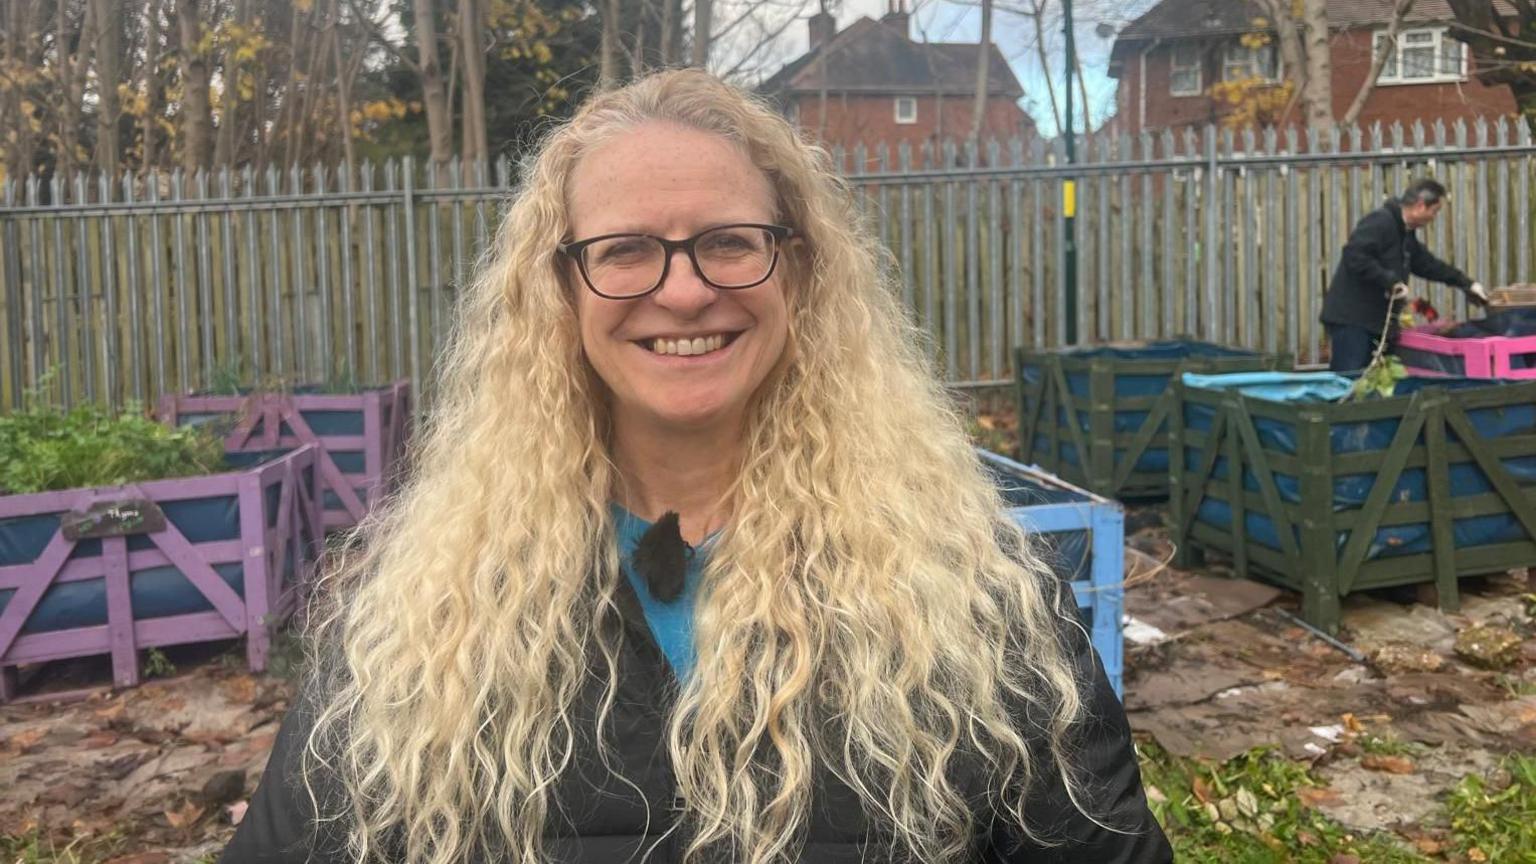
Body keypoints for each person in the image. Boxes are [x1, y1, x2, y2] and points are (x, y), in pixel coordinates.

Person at [221, 69, 1171, 864]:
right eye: (625, 250)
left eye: (728, 242)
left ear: (795, 271)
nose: (684, 291)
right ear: (559, 289)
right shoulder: (425, 617)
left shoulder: (976, 601)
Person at [1320, 178, 1487, 372]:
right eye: (1435, 211)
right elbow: (1355, 255)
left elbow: (1428, 265)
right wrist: (1389, 280)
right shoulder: (1380, 222)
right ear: (1420, 205)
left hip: (1376, 323)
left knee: (1376, 381)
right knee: (1350, 378)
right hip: (1352, 320)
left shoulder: (1405, 234)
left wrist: (1466, 283)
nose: (1434, 217)